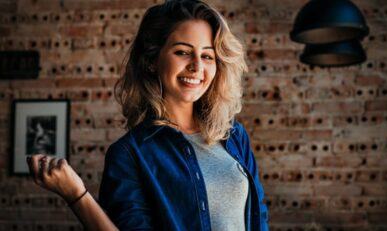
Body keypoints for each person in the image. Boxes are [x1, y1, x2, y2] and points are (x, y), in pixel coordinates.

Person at [27, 0, 268, 230]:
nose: (197, 66)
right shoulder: (130, 155)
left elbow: (260, 218)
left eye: (207, 55)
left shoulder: (234, 136)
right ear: (152, 60)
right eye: (183, 52)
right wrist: (76, 195)